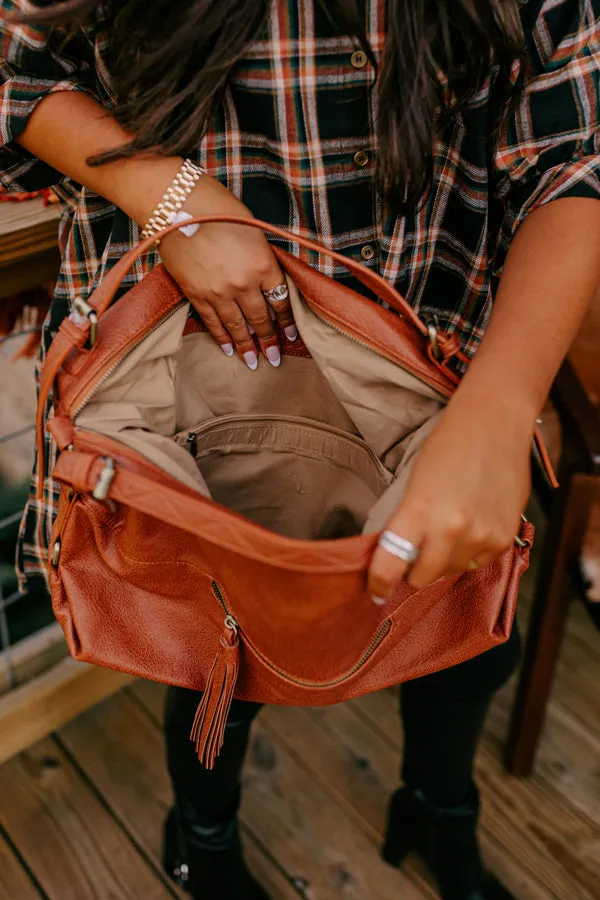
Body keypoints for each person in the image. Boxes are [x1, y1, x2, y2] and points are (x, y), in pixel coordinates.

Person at [1, 1, 598, 897]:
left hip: (434, 361)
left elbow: (574, 156)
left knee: (470, 635)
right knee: (217, 645)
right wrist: (174, 198)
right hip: (203, 361)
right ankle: (204, 840)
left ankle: (440, 809)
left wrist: (502, 407)